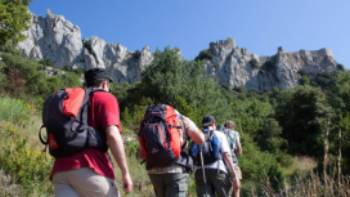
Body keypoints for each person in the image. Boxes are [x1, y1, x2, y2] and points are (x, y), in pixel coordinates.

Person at [51, 68, 133, 196]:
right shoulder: (106, 97)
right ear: (105, 83)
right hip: (90, 168)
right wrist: (125, 172)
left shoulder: (74, 101)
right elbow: (112, 135)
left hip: (60, 172)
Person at [138, 104, 205, 197]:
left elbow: (141, 153)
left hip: (154, 171)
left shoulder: (148, 120)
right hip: (175, 170)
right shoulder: (180, 119)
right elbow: (200, 139)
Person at [194, 115, 240, 197]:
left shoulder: (197, 135)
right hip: (218, 171)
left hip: (200, 171)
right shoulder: (219, 134)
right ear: (214, 124)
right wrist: (234, 175)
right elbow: (226, 155)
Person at [223, 120, 242, 197]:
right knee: (237, 186)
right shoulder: (235, 133)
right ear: (233, 127)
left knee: (224, 188)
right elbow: (239, 148)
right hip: (233, 162)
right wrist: (236, 155)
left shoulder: (220, 133)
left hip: (221, 163)